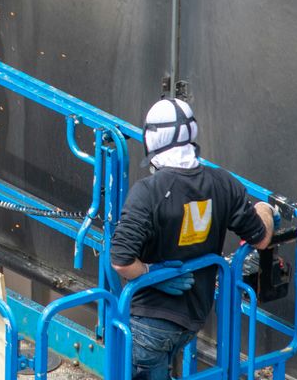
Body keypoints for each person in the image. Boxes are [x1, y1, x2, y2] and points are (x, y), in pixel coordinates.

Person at [110, 98, 274, 380]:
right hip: (192, 320)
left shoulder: (148, 191)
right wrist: (266, 209)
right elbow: (261, 238)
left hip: (148, 325)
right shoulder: (224, 184)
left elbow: (122, 261)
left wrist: (152, 273)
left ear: (151, 139)